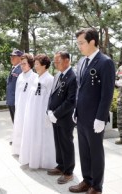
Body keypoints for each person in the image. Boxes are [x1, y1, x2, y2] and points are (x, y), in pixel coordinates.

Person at [69, 28, 115, 194]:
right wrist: (75, 109)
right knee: (84, 151)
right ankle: (87, 180)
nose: (79, 46)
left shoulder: (105, 62)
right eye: (78, 43)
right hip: (81, 116)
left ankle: (96, 186)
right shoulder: (82, 61)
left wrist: (101, 117)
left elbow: (107, 92)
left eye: (81, 43)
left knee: (96, 153)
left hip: (95, 118)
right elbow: (79, 89)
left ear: (92, 41)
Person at [19, 54, 56, 169]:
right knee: (33, 134)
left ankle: (44, 161)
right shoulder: (36, 77)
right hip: (32, 111)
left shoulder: (50, 79)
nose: (34, 66)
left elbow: (51, 98)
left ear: (44, 65)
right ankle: (32, 158)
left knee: (42, 136)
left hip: (42, 112)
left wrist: (48, 113)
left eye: (37, 64)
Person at [47, 51, 77, 184]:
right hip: (55, 116)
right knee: (58, 142)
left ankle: (68, 171)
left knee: (66, 143)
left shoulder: (73, 76)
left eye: (58, 61)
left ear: (67, 61)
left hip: (65, 118)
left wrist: (56, 114)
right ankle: (61, 165)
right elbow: (52, 95)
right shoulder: (58, 75)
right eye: (55, 61)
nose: (55, 64)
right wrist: (49, 110)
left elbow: (71, 101)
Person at [12, 54, 38, 155]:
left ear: (30, 64)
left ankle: (28, 152)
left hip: (29, 109)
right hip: (19, 108)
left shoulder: (34, 77)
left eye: (24, 64)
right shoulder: (20, 77)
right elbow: (17, 93)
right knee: (19, 128)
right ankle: (19, 150)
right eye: (21, 64)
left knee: (28, 130)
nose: (22, 66)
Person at [6, 49, 23, 145]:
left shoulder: (20, 69)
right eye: (11, 56)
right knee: (15, 121)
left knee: (18, 121)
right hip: (11, 100)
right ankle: (17, 138)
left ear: (20, 58)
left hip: (16, 100)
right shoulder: (14, 68)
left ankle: (19, 140)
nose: (11, 58)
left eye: (14, 56)